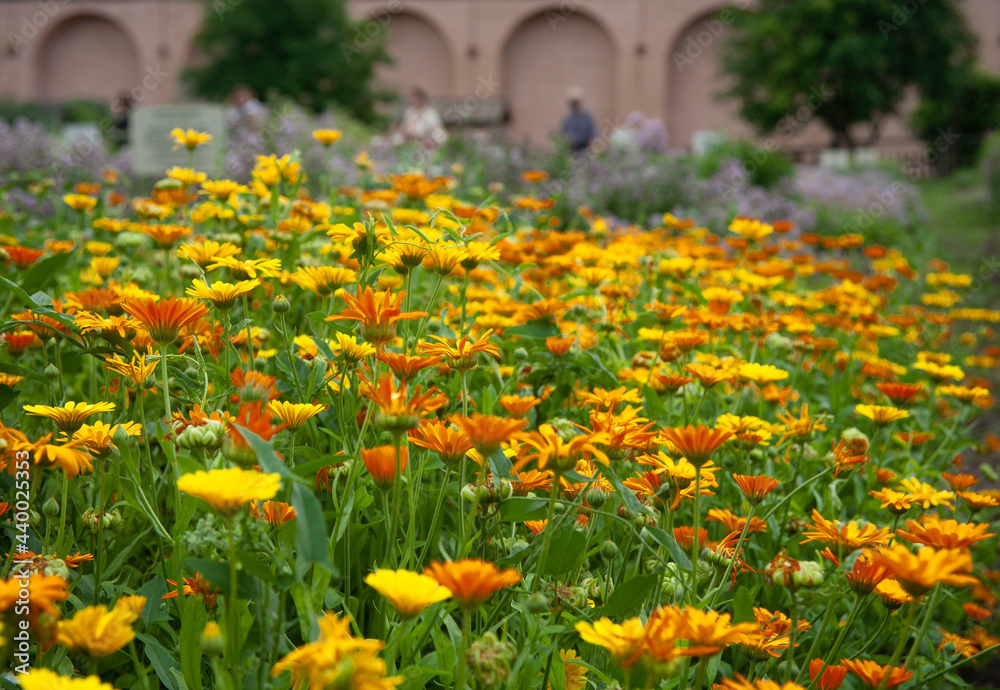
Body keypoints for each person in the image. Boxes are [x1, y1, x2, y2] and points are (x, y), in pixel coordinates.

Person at [560, 86, 596, 153]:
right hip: (571, 149)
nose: (575, 105)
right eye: (573, 103)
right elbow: (563, 134)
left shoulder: (587, 117)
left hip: (584, 147)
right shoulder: (568, 118)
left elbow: (592, 133)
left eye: (576, 103)